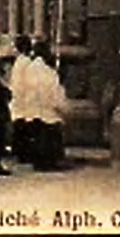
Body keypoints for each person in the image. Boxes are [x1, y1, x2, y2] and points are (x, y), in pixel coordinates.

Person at [32, 40, 68, 171]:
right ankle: (49, 162)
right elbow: (54, 91)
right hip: (48, 109)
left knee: (40, 137)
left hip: (35, 108)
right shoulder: (48, 72)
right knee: (49, 137)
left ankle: (39, 161)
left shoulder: (32, 67)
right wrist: (60, 105)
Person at [10, 35, 39, 168]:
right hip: (25, 98)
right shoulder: (27, 62)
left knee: (19, 126)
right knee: (25, 127)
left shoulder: (18, 61)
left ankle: (20, 152)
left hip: (18, 97)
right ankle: (24, 153)